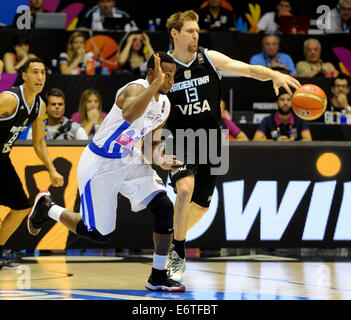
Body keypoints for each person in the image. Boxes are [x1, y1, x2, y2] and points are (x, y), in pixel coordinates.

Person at [27, 52, 186, 292]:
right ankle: (48, 208)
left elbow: (151, 146)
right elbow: (130, 114)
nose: (170, 81)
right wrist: (154, 84)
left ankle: (158, 275)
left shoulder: (164, 105)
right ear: (152, 73)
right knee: (100, 235)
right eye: (166, 75)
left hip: (129, 158)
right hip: (100, 164)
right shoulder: (134, 89)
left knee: (164, 206)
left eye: (174, 76)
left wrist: (160, 160)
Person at [164, 10, 301, 282]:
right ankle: (178, 251)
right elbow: (151, 102)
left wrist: (272, 75)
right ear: (175, 33)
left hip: (210, 140)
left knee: (201, 205)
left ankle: (168, 241)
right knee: (185, 190)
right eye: (190, 30)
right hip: (179, 138)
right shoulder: (162, 64)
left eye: (197, 30)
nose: (195, 35)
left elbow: (249, 69)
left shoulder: (209, 58)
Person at [0, 58, 64, 249]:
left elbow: (39, 143)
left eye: (43, 72)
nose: (40, 76)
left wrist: (51, 170)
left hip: (2, 160)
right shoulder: (9, 99)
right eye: (35, 72)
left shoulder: (39, 105)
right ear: (24, 75)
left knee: (21, 207)